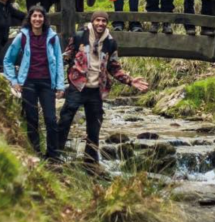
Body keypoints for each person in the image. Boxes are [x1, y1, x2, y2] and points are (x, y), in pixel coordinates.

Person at [58, 11, 149, 165]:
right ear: (93, 21)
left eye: (104, 21)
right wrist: (55, 81)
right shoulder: (80, 36)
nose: (100, 24)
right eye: (98, 20)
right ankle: (55, 155)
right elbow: (66, 57)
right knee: (65, 120)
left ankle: (91, 163)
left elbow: (114, 67)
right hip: (77, 85)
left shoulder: (110, 42)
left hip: (96, 90)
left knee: (94, 128)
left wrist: (130, 81)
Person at [3, 6, 65, 161]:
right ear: (30, 18)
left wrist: (60, 85)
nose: (37, 19)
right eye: (34, 16)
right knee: (31, 119)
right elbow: (8, 60)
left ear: (44, 19)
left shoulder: (52, 37)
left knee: (50, 119)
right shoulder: (22, 37)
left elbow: (58, 62)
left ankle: (53, 155)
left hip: (47, 83)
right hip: (28, 82)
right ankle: (36, 153)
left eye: (40, 16)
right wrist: (14, 81)